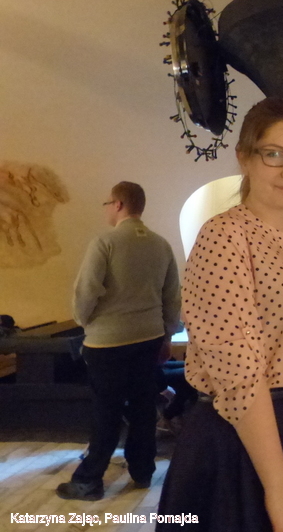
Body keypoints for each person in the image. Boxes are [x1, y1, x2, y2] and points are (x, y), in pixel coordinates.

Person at [156, 98, 283, 532]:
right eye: (274, 154)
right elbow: (239, 376)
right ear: (245, 157)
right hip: (244, 440)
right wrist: (277, 489)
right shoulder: (224, 236)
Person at [57, 182, 181, 500]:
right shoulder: (161, 245)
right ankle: (142, 471)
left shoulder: (105, 242)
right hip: (149, 338)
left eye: (107, 204)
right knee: (143, 407)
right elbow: (172, 297)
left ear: (117, 204)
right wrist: (166, 336)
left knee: (106, 411)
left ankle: (89, 481)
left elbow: (86, 291)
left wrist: (85, 321)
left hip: (108, 343)